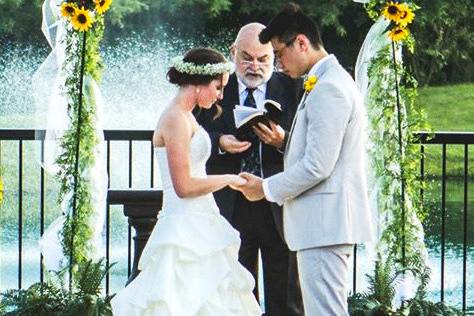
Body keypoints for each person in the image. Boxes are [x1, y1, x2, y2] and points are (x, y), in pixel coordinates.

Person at [237, 4, 375, 316]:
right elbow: (324, 150)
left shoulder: (329, 88)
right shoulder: (324, 81)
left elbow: (319, 166)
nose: (279, 63)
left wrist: (266, 188)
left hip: (325, 224)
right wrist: (285, 141)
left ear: (301, 42)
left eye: (279, 53)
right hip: (321, 224)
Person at [111, 47, 262, 316]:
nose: (220, 95)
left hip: (202, 219)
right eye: (217, 87)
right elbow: (184, 186)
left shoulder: (186, 115)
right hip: (183, 224)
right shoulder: (175, 119)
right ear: (199, 84)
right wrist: (228, 179)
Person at [196, 23, 303, 316]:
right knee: (234, 292)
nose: (254, 66)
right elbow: (191, 131)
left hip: (277, 203)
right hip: (230, 204)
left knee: (287, 293)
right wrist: (219, 142)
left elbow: (312, 145)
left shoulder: (294, 88)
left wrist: (283, 142)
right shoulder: (215, 88)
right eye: (246, 57)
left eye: (263, 59)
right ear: (232, 52)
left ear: (274, 57)